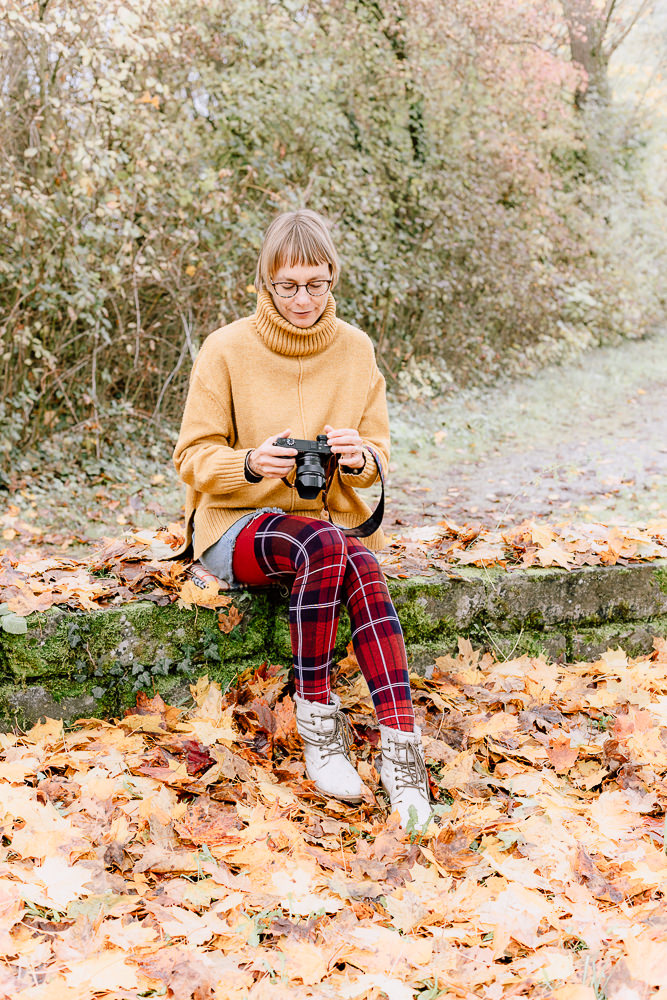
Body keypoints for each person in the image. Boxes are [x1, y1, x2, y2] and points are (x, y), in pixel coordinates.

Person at [173, 209, 431, 827]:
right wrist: (249, 465)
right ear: (265, 282)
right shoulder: (226, 349)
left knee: (359, 560)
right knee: (324, 543)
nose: (303, 299)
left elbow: (378, 457)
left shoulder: (356, 351)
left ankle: (404, 758)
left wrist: (358, 457)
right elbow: (191, 457)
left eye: (316, 284)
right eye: (288, 285)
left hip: (321, 536)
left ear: (333, 279)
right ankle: (320, 733)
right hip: (236, 526)